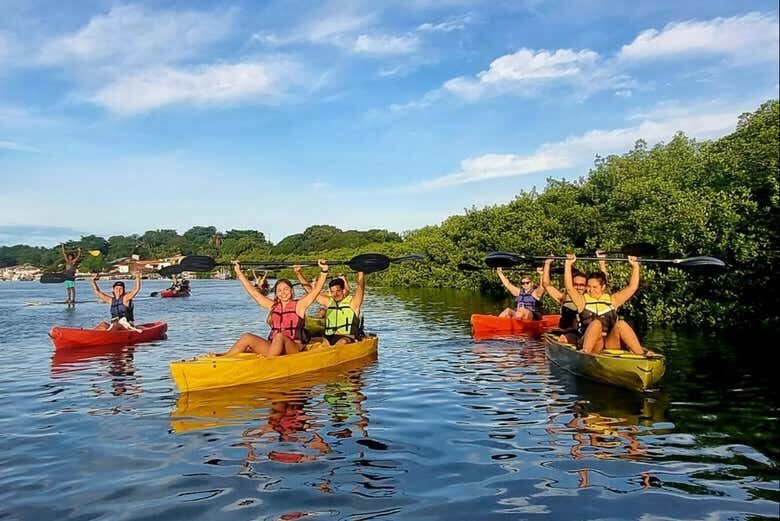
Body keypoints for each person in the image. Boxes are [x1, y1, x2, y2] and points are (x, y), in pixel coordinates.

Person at [210, 259, 328, 358]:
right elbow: (254, 293)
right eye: (280, 290)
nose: (283, 293)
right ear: (276, 293)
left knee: (279, 336)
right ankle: (224, 359)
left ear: (291, 291)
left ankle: (268, 364)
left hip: (293, 347)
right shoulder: (273, 306)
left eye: (286, 289)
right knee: (247, 337)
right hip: (273, 346)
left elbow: (316, 290)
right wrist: (238, 272)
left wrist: (324, 271)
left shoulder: (300, 305)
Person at [563, 254, 654, 356]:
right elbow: (570, 288)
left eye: (594, 287)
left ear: (603, 287)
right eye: (588, 286)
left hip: (609, 343)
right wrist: (568, 264)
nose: (590, 290)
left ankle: (641, 354)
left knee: (621, 324)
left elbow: (632, 287)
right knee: (596, 323)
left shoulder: (613, 300)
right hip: (591, 344)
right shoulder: (582, 301)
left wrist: (635, 266)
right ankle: (585, 355)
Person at [542, 251, 608, 344]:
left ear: (586, 286)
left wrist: (602, 262)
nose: (578, 287)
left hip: (582, 333)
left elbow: (602, 283)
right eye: (575, 284)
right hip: (566, 332)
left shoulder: (590, 298)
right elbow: (546, 285)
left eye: (582, 285)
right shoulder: (564, 297)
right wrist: (547, 263)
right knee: (564, 338)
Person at [301, 268, 365, 345]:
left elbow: (360, 288)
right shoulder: (329, 302)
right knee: (307, 340)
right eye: (332, 292)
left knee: (343, 342)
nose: (335, 294)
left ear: (343, 290)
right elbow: (310, 291)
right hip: (329, 337)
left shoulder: (353, 303)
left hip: (347, 338)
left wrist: (361, 274)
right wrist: (298, 273)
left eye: (338, 291)